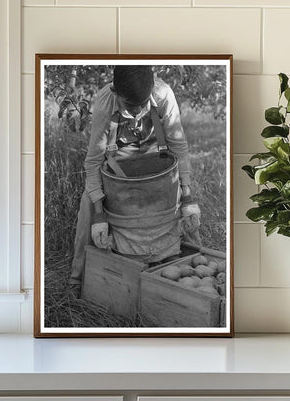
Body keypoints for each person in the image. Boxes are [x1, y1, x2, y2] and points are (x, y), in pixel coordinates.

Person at [69, 66, 201, 295]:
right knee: (87, 207)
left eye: (143, 103)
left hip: (155, 155)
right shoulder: (105, 103)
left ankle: (196, 266)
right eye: (130, 105)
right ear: (115, 91)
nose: (139, 111)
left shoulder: (163, 95)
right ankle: (77, 279)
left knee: (185, 211)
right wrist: (100, 214)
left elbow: (178, 146)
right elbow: (93, 162)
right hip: (117, 161)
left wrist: (187, 197)